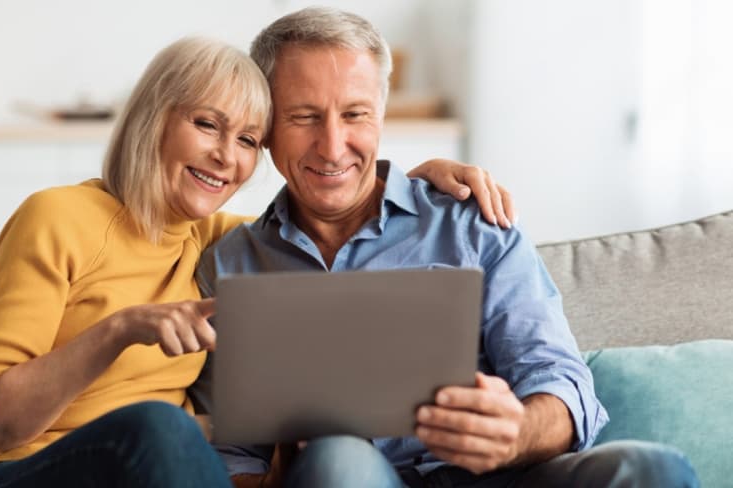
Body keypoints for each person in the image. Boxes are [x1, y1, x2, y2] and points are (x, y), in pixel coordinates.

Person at [0, 36, 514, 488]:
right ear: (154, 118)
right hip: (21, 472)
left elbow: (334, 215)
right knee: (162, 427)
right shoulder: (56, 217)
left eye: (247, 140)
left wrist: (416, 184)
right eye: (206, 125)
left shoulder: (215, 240)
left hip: (152, 474)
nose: (225, 157)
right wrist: (121, 329)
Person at [194, 7, 700, 488]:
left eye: (355, 114)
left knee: (649, 468)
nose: (332, 145)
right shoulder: (230, 263)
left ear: (382, 115)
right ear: (263, 127)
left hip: (506, 477)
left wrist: (517, 431)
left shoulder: (472, 220)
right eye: (304, 117)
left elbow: (558, 378)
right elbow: (235, 454)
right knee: (337, 456)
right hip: (349, 477)